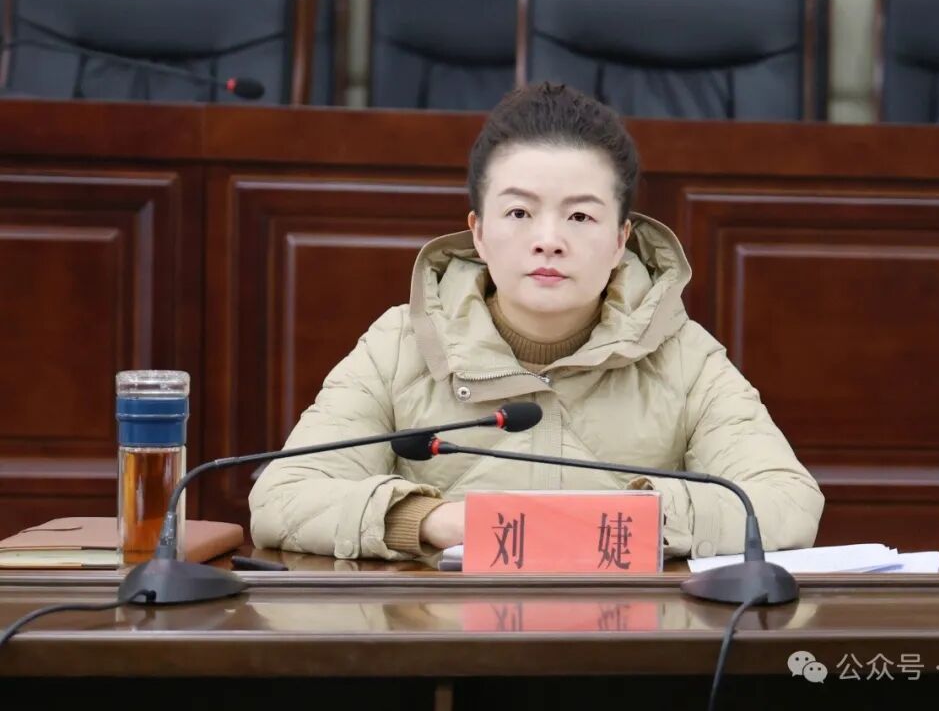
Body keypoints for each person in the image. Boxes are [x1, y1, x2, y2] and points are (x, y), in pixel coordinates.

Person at [248, 82, 824, 561]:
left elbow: (787, 503)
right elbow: (282, 498)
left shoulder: (683, 356)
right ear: (478, 232)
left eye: (580, 216)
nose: (548, 240)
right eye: (520, 212)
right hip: (442, 637)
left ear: (620, 239)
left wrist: (632, 518)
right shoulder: (400, 345)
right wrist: (433, 521)